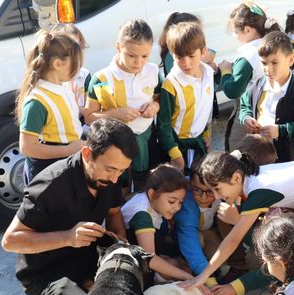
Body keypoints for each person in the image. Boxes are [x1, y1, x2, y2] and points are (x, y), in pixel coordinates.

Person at [2, 118, 136, 295]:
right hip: (46, 273)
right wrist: (68, 237)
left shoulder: (110, 176)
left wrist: (119, 242)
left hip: (87, 257)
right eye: (110, 170)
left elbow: (114, 212)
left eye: (121, 171)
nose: (114, 179)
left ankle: (83, 289)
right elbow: (10, 240)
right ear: (86, 154)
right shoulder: (50, 184)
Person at [178, 150, 294, 290]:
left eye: (217, 189)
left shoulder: (257, 192)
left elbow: (233, 239)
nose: (215, 196)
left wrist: (203, 275)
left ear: (236, 178)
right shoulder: (249, 179)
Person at [84, 19, 160, 192]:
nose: (139, 62)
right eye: (131, 55)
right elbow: (89, 117)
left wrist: (155, 106)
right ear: (118, 47)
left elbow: (158, 98)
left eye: (145, 56)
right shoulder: (102, 79)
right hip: (116, 146)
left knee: (145, 184)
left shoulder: (153, 71)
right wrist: (116, 114)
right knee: (119, 186)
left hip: (146, 138)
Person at [16, 29, 84, 184]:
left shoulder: (63, 86)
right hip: (47, 173)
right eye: (76, 63)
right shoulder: (37, 102)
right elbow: (27, 147)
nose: (78, 68)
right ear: (58, 64)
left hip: (65, 165)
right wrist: (68, 150)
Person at [239, 31, 294, 162]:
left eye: (274, 63)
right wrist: (246, 118)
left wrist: (281, 131)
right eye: (264, 63)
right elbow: (244, 105)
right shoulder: (258, 85)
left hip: (287, 158)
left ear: (290, 60)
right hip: (258, 155)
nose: (268, 69)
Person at [221, 1, 281, 152]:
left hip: (249, 116)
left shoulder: (248, 54)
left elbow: (232, 90)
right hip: (271, 111)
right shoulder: (273, 45)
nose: (236, 36)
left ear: (247, 30)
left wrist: (225, 72)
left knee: (239, 154)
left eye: (236, 32)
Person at [156, 22, 215, 173]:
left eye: (191, 56)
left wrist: (207, 134)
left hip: (199, 141)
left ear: (203, 51)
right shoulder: (171, 83)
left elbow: (206, 106)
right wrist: (174, 152)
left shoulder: (208, 73)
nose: (186, 63)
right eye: (179, 57)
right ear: (171, 54)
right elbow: (163, 124)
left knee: (200, 182)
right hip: (177, 145)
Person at [121, 164, 194, 280]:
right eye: (171, 201)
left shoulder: (152, 202)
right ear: (152, 194)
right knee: (179, 269)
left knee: (182, 263)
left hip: (141, 249)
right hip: (127, 260)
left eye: (180, 202)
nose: (177, 207)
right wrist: (187, 277)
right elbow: (150, 258)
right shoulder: (142, 215)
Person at [158, 12, 218, 77]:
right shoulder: (172, 56)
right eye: (196, 33)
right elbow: (185, 78)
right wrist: (201, 62)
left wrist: (213, 69)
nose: (199, 36)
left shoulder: (196, 50)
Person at [54, 23, 91, 124]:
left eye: (78, 48)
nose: (76, 54)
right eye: (70, 50)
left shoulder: (85, 75)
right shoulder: (52, 78)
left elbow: (90, 109)